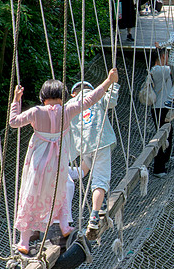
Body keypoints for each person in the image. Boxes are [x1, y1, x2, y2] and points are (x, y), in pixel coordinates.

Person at [8, 70, 118, 254]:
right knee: (61, 191)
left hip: (36, 164)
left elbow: (13, 121)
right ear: (62, 97)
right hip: (57, 164)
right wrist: (108, 81)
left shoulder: (36, 112)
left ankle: (24, 242)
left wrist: (16, 100)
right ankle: (65, 226)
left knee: (30, 196)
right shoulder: (67, 111)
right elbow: (91, 99)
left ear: (43, 97)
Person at [64, 78, 121, 232]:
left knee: (84, 170)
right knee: (100, 180)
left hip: (84, 147)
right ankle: (95, 216)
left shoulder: (69, 106)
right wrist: (114, 84)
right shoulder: (97, 97)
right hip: (101, 143)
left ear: (73, 93)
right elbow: (112, 101)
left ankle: (64, 173)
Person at [148, 47, 173, 177]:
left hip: (162, 107)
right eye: (168, 56)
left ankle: (164, 160)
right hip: (160, 108)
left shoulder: (159, 70)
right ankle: (158, 168)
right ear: (162, 57)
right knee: (162, 136)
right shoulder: (159, 70)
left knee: (168, 133)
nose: (169, 59)